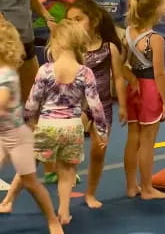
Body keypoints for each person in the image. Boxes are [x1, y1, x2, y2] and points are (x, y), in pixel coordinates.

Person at [0, 20, 108, 224]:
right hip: (72, 127)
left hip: (48, 125)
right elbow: (96, 107)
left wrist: (26, 121)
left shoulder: (46, 70)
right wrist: (102, 131)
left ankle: (7, 201)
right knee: (67, 172)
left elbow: (32, 101)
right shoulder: (85, 73)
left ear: (56, 44)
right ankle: (64, 211)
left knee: (29, 166)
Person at [0, 16, 63, 234]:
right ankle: (7, 202)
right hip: (2, 136)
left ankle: (52, 220)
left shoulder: (7, 75)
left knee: (30, 183)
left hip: (18, 137)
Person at [65, 0, 127, 208]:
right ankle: (66, 179)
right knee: (70, 147)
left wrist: (124, 106)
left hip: (103, 106)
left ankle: (90, 193)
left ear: (93, 20)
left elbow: (118, 77)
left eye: (78, 19)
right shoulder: (71, 49)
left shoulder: (110, 48)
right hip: (78, 105)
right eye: (70, 20)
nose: (73, 24)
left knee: (99, 151)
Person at [123, 0, 165, 200]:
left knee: (133, 138)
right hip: (150, 88)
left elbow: (121, 65)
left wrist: (131, 79)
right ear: (156, 10)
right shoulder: (155, 39)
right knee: (148, 141)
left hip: (133, 89)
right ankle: (148, 188)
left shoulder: (127, 34)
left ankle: (132, 186)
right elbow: (160, 73)